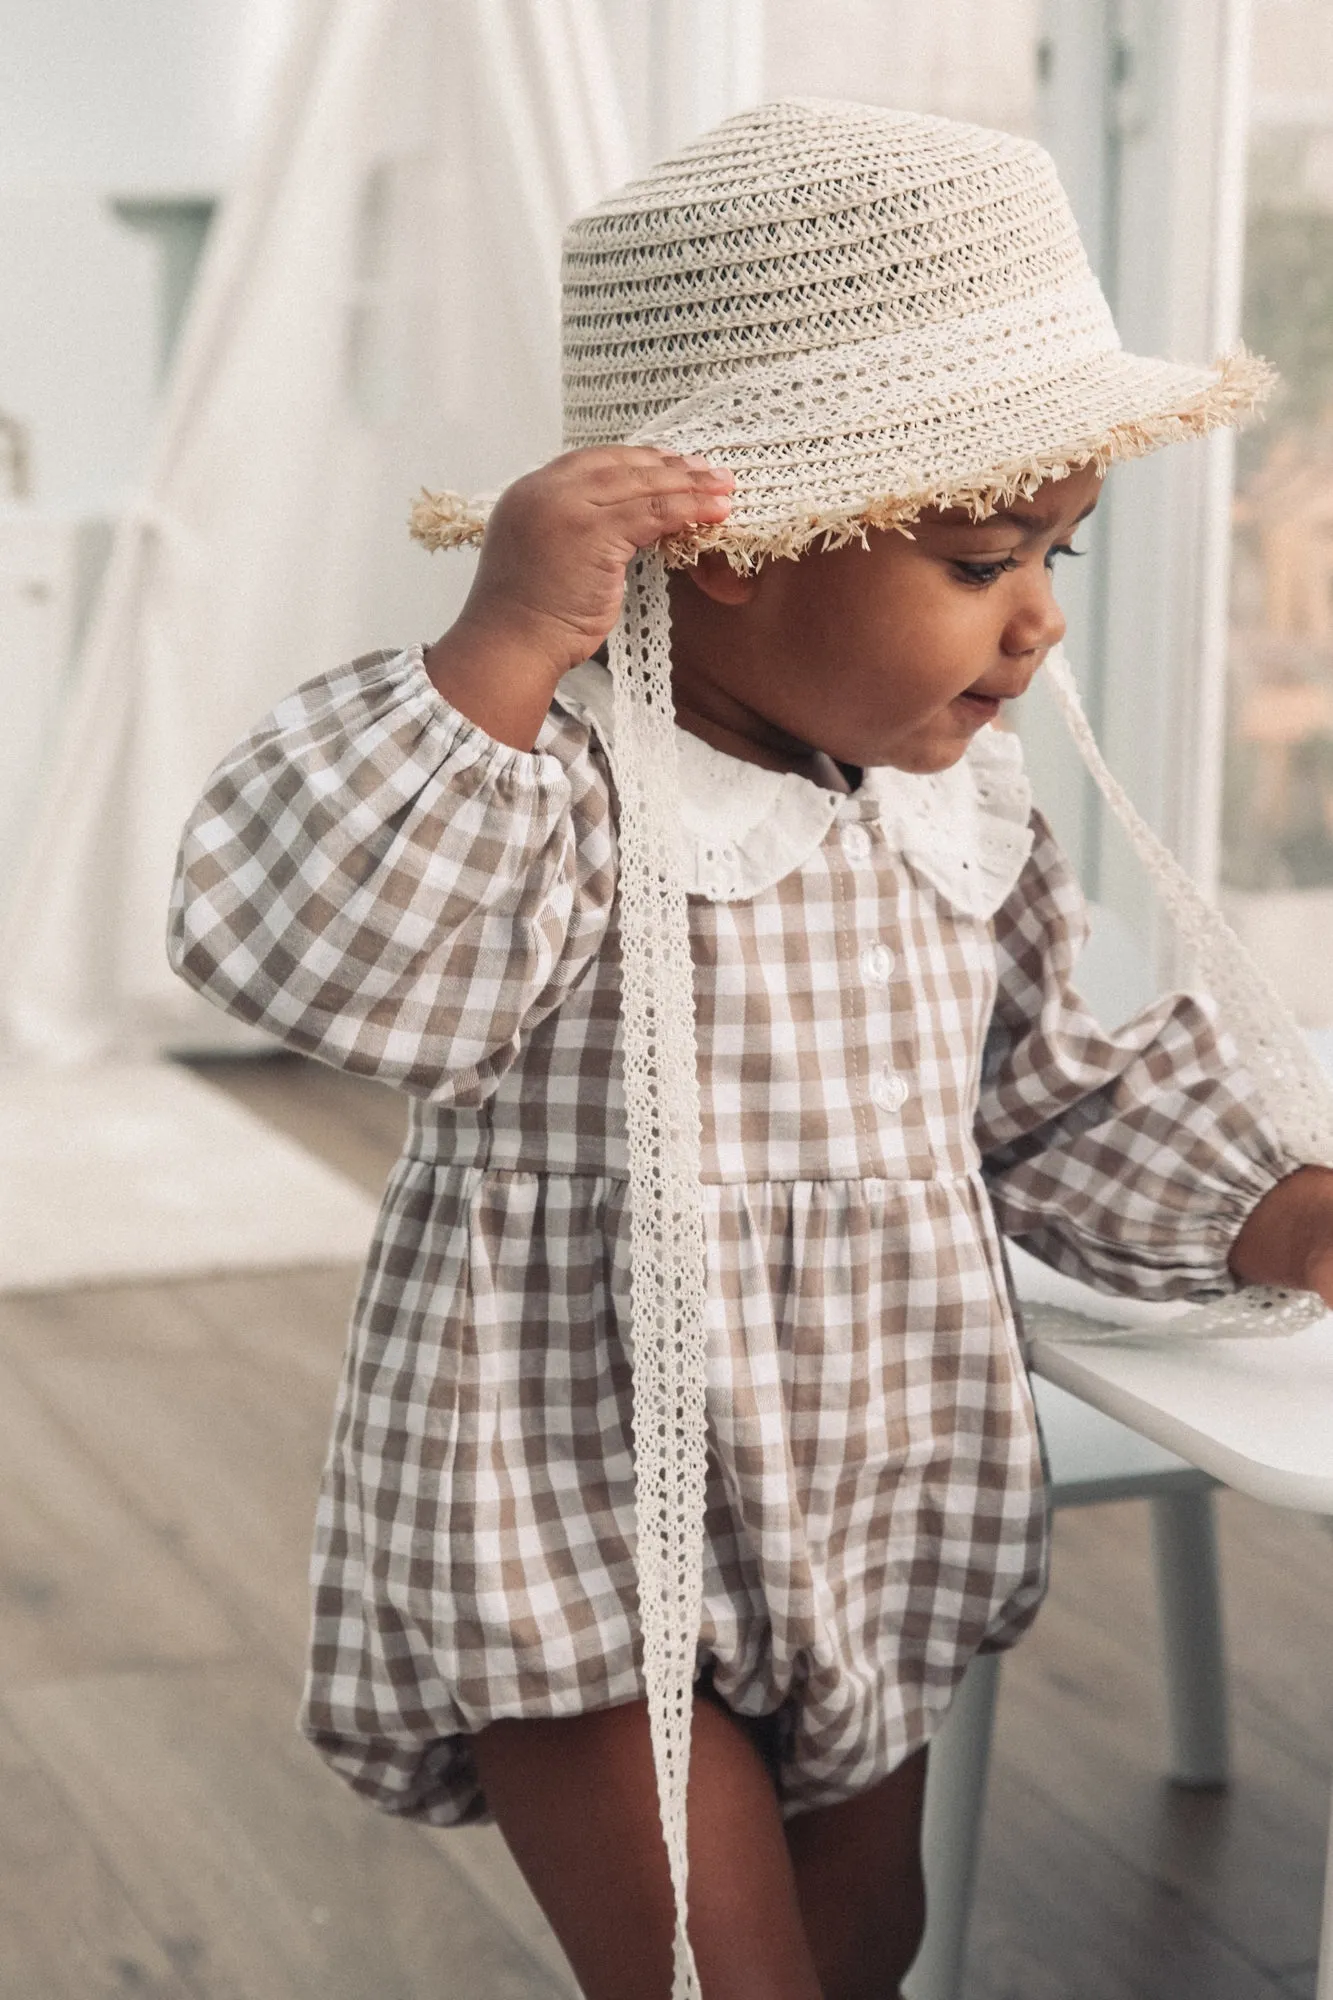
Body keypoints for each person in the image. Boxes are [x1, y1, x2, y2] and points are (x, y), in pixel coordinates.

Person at [169, 102, 1333, 2000]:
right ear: (735, 549)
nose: (1040, 620)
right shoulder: (547, 795)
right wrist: (505, 642)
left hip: (867, 1493)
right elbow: (317, 947)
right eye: (979, 559)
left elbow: (1061, 1090)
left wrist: (1283, 1212)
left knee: (871, 1934)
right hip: (573, 1502)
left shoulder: (951, 813)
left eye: (1060, 551)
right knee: (723, 1972)